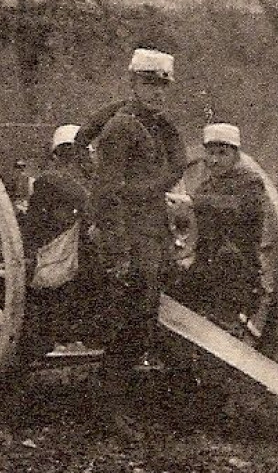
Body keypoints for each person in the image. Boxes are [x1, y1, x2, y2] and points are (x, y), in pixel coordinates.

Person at [73, 47, 188, 372]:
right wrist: (118, 248)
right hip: (128, 234)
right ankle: (112, 395)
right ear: (133, 84)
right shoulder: (121, 128)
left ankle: (135, 378)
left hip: (153, 230)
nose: (157, 92)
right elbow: (106, 193)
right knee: (133, 312)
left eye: (163, 86)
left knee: (151, 307)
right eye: (149, 84)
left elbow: (176, 165)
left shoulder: (158, 125)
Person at [178, 123, 267, 340]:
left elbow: (233, 206)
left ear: (236, 155)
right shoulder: (206, 187)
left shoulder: (250, 184)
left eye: (222, 153)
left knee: (219, 330)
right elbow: (190, 224)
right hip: (204, 269)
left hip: (236, 273)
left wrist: (192, 201)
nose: (214, 160)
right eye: (210, 153)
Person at [21, 123, 93, 358]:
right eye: (68, 155)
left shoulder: (60, 181)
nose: (71, 160)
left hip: (67, 255)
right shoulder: (52, 181)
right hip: (56, 256)